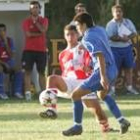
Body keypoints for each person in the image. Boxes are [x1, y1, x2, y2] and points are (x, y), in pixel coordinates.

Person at [62, 13, 130, 136]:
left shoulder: (88, 38)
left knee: (75, 95)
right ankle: (122, 121)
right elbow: (100, 44)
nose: (77, 28)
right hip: (113, 69)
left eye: (78, 26)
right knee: (102, 95)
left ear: (84, 24)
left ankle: (77, 126)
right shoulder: (100, 30)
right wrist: (83, 46)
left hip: (102, 71)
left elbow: (100, 55)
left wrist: (103, 76)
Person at [40, 24, 114, 133]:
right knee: (52, 78)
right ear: (65, 36)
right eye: (67, 34)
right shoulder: (62, 54)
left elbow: (94, 60)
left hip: (84, 82)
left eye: (73, 34)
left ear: (78, 35)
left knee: (96, 109)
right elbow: (65, 71)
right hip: (69, 82)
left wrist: (89, 67)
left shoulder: (85, 47)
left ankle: (106, 128)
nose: (70, 37)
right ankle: (52, 109)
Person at [106, 5, 139, 95]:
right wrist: (121, 39)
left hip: (127, 48)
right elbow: (110, 36)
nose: (118, 13)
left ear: (122, 12)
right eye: (116, 12)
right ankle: (112, 89)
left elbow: (134, 33)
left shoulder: (128, 22)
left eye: (119, 11)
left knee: (129, 68)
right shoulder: (110, 24)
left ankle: (129, 88)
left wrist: (127, 37)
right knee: (114, 70)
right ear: (112, 13)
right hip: (114, 49)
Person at [22, 1, 48, 100]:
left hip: (41, 50)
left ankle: (45, 95)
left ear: (39, 9)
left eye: (37, 7)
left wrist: (36, 22)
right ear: (30, 10)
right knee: (27, 72)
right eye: (33, 8)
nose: (35, 9)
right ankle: (28, 95)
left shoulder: (44, 20)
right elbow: (28, 34)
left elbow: (43, 30)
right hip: (28, 50)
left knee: (41, 72)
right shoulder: (26, 21)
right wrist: (39, 34)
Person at [0, 23, 23, 99]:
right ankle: (1, 92)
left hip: (9, 62)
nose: (2, 33)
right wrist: (3, 63)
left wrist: (6, 44)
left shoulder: (10, 40)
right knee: (0, 69)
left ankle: (17, 91)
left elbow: (11, 55)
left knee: (19, 69)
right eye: (0, 31)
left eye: (3, 31)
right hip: (1, 63)